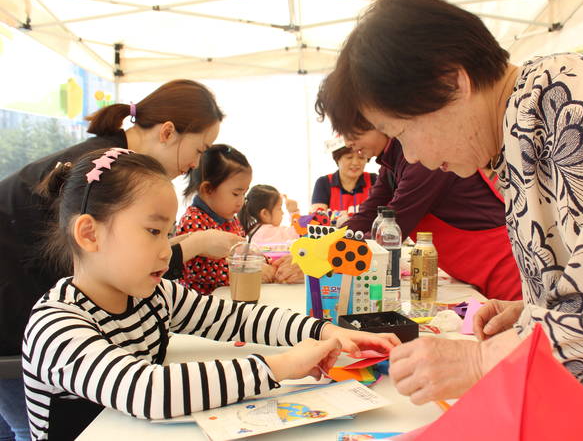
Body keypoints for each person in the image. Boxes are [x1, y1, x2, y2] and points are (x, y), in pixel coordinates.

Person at [319, 0, 583, 436]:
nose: (414, 156)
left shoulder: (572, 97)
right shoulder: (521, 128)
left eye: (403, 133)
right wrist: (537, 310)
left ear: (451, 81)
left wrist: (482, 358)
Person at [23, 148, 400, 440]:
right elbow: (147, 391)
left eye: (169, 232)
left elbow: (237, 318)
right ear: (89, 233)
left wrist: (323, 332)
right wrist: (283, 366)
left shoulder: (154, 296)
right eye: (153, 232)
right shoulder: (55, 326)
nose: (166, 249)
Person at [0, 79, 230, 440]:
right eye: (199, 150)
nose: (195, 165)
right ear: (168, 132)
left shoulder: (111, 164)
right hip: (11, 315)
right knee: (24, 427)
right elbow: (116, 261)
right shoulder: (98, 175)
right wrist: (193, 244)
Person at [312, 121, 521, 300]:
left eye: (353, 133)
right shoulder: (391, 162)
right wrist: (320, 249)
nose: (349, 143)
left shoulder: (423, 159)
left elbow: (393, 227)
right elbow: (367, 214)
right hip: (473, 270)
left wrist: (325, 258)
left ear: (377, 120)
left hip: (505, 267)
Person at [178, 144, 278, 293]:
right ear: (208, 189)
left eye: (244, 194)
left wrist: (271, 264)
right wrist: (252, 270)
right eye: (236, 194)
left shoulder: (232, 219)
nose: (241, 201)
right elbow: (201, 271)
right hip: (204, 306)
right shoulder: (193, 221)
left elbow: (245, 251)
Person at [311, 145, 376, 213]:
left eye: (361, 157)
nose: (355, 163)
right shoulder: (324, 183)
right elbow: (318, 217)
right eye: (349, 157)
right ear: (337, 159)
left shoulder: (374, 180)